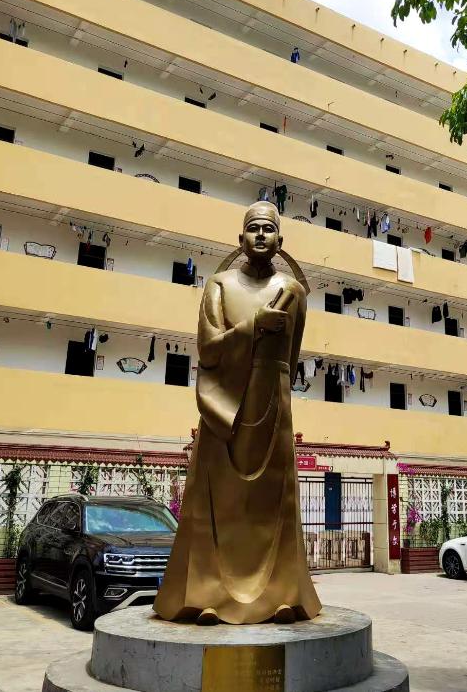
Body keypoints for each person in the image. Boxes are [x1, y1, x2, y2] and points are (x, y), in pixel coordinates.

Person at [154, 201, 321, 625]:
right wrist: (253, 327)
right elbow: (208, 349)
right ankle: (206, 596)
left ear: (281, 240)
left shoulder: (294, 292)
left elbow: (291, 356)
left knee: (275, 503)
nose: (261, 234)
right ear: (240, 238)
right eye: (253, 228)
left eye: (269, 228)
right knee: (216, 502)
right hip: (226, 404)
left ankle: (282, 595)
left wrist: (270, 379)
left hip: (274, 404)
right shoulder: (219, 285)